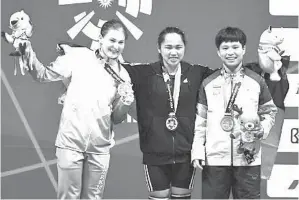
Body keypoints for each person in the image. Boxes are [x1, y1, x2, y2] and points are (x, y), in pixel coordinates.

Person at [18, 19, 134, 199]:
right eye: (112, 40)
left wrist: (125, 102)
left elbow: (117, 118)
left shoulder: (123, 75)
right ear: (100, 38)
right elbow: (42, 75)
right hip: (70, 143)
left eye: (121, 42)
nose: (116, 46)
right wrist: (25, 47)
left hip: (100, 148)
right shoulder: (78, 56)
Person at [123, 27, 213, 199]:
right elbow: (112, 68)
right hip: (154, 155)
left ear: (184, 48)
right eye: (168, 47)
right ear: (159, 48)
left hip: (186, 155)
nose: (174, 52)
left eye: (178, 47)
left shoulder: (196, 73)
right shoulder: (144, 73)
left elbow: (228, 73)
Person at [191, 27, 277, 199]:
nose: (230, 52)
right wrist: (198, 151)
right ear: (218, 52)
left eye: (235, 47)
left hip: (248, 158)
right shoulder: (208, 83)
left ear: (244, 49)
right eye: (225, 48)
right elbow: (200, 121)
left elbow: (270, 112)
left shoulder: (256, 81)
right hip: (215, 160)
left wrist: (263, 129)